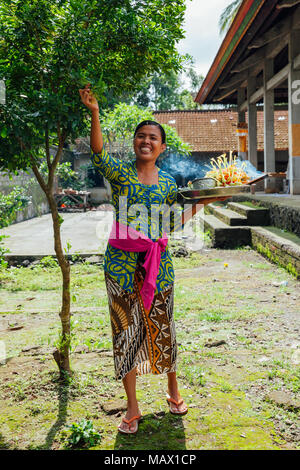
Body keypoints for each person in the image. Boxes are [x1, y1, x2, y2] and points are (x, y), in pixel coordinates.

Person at [79, 84, 227, 434]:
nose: (145, 141)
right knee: (125, 330)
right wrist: (95, 112)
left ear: (162, 147)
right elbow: (98, 153)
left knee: (164, 326)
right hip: (119, 265)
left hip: (158, 265)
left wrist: (202, 203)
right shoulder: (121, 173)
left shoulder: (168, 183)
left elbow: (172, 222)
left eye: (152, 138)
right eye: (140, 136)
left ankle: (172, 389)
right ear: (135, 142)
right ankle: (132, 405)